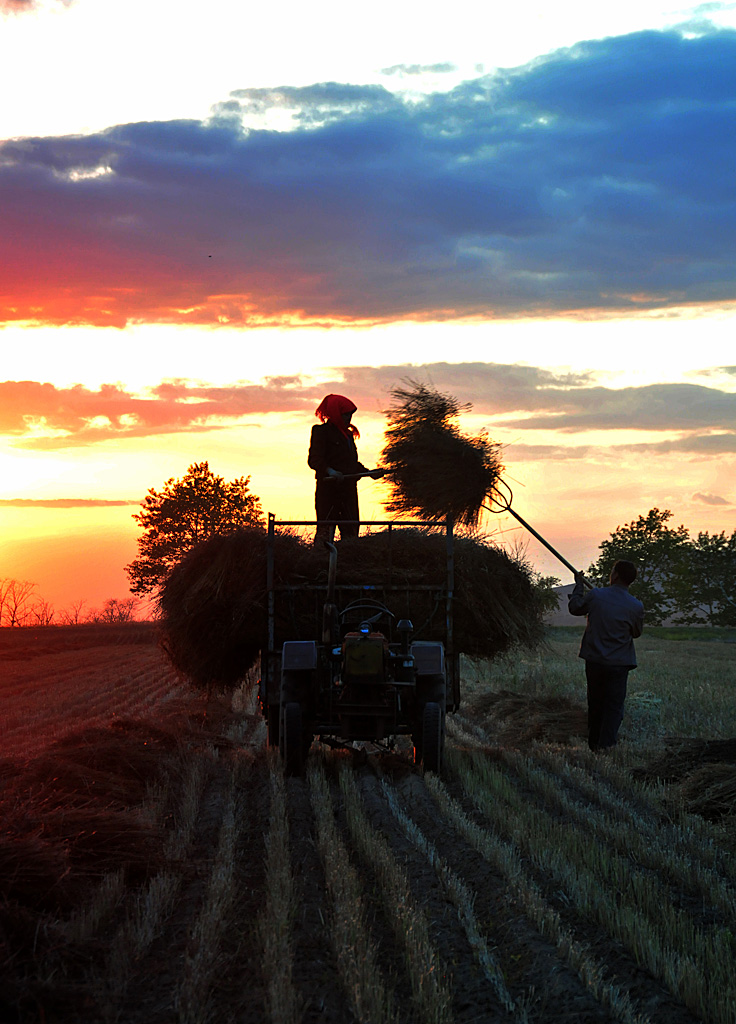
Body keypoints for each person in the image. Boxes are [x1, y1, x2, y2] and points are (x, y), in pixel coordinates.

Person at [568, 560, 644, 752]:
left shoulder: (596, 595)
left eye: (612, 571)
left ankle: (594, 745)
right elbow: (636, 633)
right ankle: (607, 745)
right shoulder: (636, 606)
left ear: (616, 575)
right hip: (619, 664)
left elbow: (575, 608)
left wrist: (578, 585)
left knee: (596, 703)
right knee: (614, 706)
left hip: (595, 661)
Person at [308, 394, 383, 544]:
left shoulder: (348, 436)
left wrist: (369, 472)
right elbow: (314, 460)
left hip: (348, 491)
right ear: (336, 413)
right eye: (345, 414)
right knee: (325, 533)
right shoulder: (321, 432)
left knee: (351, 533)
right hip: (328, 491)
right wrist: (330, 472)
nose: (349, 418)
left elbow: (351, 464)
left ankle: (348, 564)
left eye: (350, 415)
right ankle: (321, 564)